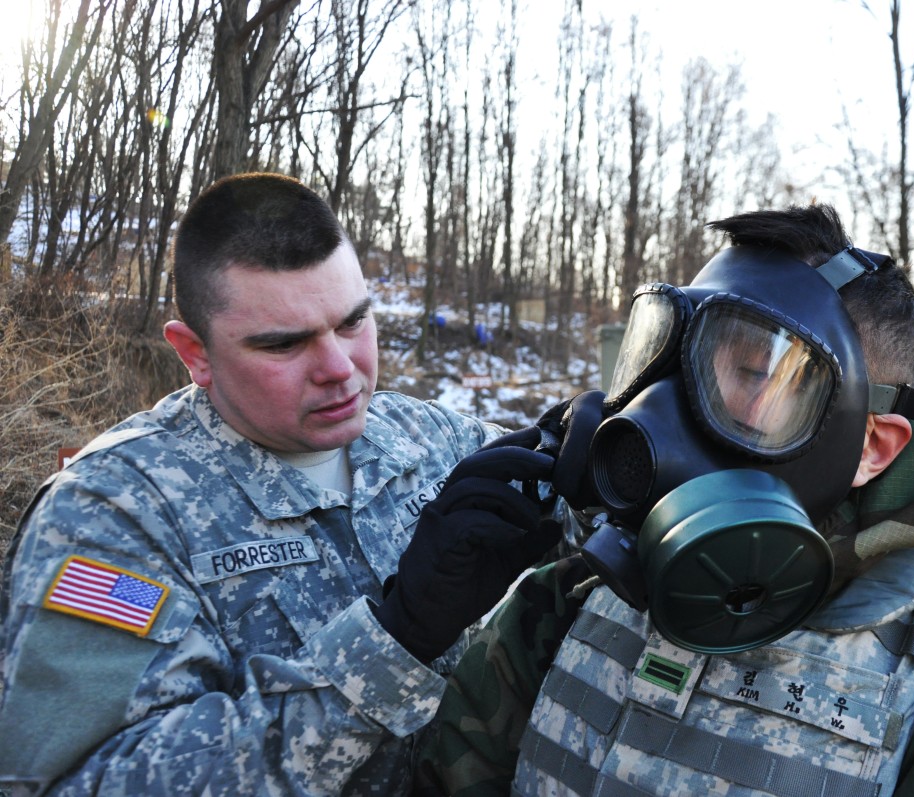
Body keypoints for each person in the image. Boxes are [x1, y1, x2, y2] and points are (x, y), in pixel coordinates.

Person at [417, 205, 914, 796]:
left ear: (871, 447)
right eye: (673, 354)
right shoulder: (563, 604)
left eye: (752, 375)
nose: (670, 406)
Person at [0, 172, 561, 796]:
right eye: (284, 345)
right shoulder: (112, 511)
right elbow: (71, 783)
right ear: (196, 354)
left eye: (353, 323)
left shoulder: (430, 438)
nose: (339, 370)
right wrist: (394, 641)